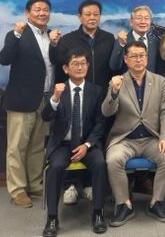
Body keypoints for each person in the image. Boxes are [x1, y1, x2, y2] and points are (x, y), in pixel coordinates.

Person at [102, 41, 165, 226]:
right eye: (134, 56)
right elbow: (107, 112)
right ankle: (124, 204)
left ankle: (156, 202)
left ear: (147, 58)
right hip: (125, 139)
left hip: (151, 138)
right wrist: (114, 92)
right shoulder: (117, 81)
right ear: (126, 59)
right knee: (113, 160)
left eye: (142, 55)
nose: (138, 59)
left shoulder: (159, 81)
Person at [49, 0, 115, 205]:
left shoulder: (109, 38)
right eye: (88, 14)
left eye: (96, 14)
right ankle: (69, 185)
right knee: (72, 139)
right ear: (80, 16)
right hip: (73, 96)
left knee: (94, 141)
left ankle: (89, 184)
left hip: (99, 98)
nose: (92, 18)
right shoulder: (69, 39)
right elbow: (58, 66)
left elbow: (114, 66)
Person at [0, 0, 61, 208]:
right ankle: (17, 190)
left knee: (36, 146)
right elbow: (4, 59)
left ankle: (34, 185)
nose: (42, 13)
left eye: (46, 10)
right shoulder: (17, 34)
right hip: (21, 100)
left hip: (45, 98)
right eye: (37, 9)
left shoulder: (51, 35)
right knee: (17, 147)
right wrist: (16, 35)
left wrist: (55, 45)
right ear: (27, 13)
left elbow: (56, 63)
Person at [41, 49, 107, 237]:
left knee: (100, 163)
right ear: (66, 68)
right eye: (75, 64)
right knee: (55, 167)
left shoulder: (96, 91)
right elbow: (45, 116)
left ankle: (98, 213)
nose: (80, 67)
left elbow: (100, 123)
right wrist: (54, 98)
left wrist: (87, 145)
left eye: (83, 63)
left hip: (87, 144)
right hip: (63, 144)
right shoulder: (58, 89)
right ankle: (52, 218)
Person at [109, 5, 164, 77]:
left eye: (146, 18)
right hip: (128, 83)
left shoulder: (155, 42)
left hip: (151, 83)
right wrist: (121, 44)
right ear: (131, 22)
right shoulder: (121, 41)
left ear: (150, 22)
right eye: (139, 18)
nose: (143, 21)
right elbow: (114, 67)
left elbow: (159, 69)